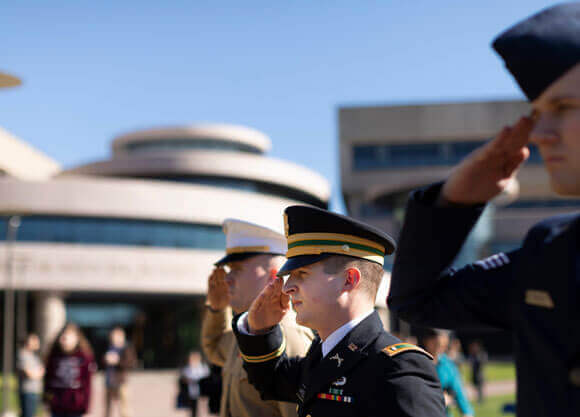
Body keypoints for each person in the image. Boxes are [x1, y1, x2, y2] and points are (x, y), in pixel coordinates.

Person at [387, 4, 580, 416]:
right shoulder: (551, 252)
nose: (542, 134)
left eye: (563, 107)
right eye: (538, 112)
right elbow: (417, 301)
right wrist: (452, 204)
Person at [233, 205, 446, 417]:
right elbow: (270, 381)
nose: (287, 287)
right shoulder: (322, 354)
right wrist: (259, 329)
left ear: (348, 280)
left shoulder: (399, 368)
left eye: (302, 273)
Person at [201, 218, 314, 417]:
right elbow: (214, 347)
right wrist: (217, 309)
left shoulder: (290, 336)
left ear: (273, 277)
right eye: (228, 271)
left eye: (237, 269)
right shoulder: (248, 331)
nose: (227, 278)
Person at [43, 323, 96, 417]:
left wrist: (86, 407)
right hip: (57, 405)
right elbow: (47, 381)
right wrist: (46, 400)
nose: (65, 340)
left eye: (69, 337)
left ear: (77, 339)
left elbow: (87, 384)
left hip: (75, 406)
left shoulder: (84, 357)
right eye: (63, 337)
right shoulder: (54, 356)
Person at [422, 329, 474, 417]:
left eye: (442, 346)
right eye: (436, 344)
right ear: (426, 341)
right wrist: (439, 398)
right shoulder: (417, 362)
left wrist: (467, 412)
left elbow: (458, 391)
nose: (438, 349)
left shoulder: (448, 365)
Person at [102, 326, 137, 417]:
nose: (115, 338)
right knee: (107, 408)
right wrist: (105, 360)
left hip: (121, 381)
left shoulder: (126, 348)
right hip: (109, 381)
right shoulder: (109, 348)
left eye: (117, 336)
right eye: (113, 336)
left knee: (124, 408)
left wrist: (117, 361)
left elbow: (131, 363)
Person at [17, 333, 44, 417]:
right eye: (35, 341)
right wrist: (37, 374)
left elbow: (42, 371)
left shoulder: (34, 356)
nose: (37, 343)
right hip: (27, 391)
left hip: (35, 390)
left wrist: (37, 373)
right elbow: (29, 373)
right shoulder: (23, 354)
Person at [178, 351, 210, 417]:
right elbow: (183, 378)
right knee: (193, 410)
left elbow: (207, 378)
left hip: (202, 393)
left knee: (203, 409)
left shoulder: (203, 368)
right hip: (191, 392)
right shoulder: (187, 368)